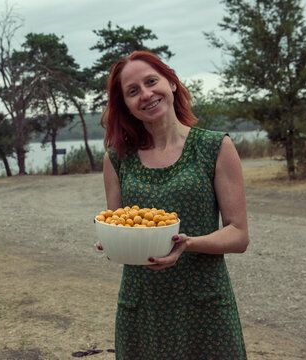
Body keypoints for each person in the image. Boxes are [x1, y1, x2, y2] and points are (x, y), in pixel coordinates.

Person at [97, 51, 249, 359]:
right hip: (142, 306)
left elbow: (238, 235)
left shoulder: (214, 147)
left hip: (204, 303)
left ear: (172, 83)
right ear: (125, 104)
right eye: (133, 91)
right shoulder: (116, 158)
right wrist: (111, 241)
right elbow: (116, 223)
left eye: (152, 81)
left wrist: (188, 244)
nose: (146, 94)